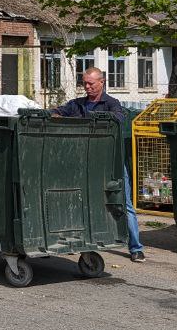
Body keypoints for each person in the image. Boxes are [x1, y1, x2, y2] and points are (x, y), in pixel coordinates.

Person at [53, 67, 145, 262]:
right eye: (84, 83)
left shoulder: (112, 104)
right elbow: (56, 112)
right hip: (82, 164)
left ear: (102, 82)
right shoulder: (76, 105)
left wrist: (97, 120)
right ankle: (75, 242)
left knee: (124, 204)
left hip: (110, 164)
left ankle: (136, 248)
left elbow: (119, 118)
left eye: (91, 83)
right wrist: (55, 115)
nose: (87, 87)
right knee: (77, 200)